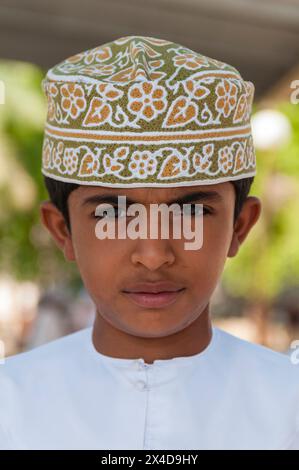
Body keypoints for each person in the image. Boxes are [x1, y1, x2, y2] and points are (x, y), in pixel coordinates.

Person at [0, 35, 298, 450]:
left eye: (191, 212)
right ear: (62, 231)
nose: (154, 255)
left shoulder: (290, 407)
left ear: (240, 226)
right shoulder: (9, 407)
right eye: (114, 214)